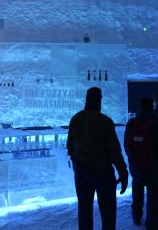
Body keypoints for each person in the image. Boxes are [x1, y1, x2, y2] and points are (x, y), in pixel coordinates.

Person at [67, 87, 128, 230]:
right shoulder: (105, 121)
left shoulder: (75, 118)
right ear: (99, 100)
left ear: (86, 99)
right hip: (102, 172)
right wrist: (123, 172)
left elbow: (70, 147)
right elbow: (114, 152)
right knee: (108, 212)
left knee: (84, 208)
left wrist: (77, 163)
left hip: (81, 170)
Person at [124, 98, 158, 229]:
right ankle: (152, 223)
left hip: (135, 167)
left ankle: (136, 216)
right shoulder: (155, 124)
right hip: (153, 168)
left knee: (137, 190)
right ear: (152, 107)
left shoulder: (132, 123)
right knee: (153, 196)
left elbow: (126, 145)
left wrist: (133, 159)